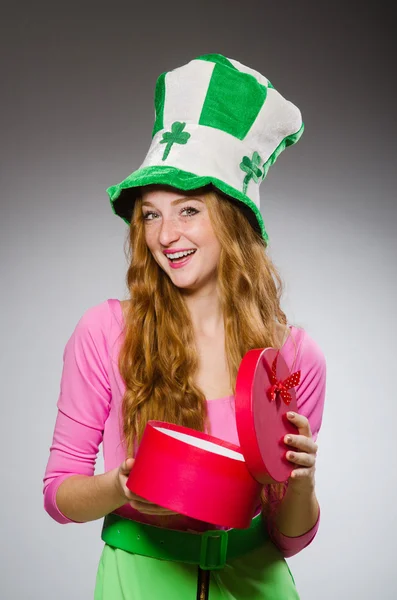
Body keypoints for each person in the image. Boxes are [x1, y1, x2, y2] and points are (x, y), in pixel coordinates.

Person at [43, 53, 326, 599]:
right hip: (140, 579)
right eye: (151, 213)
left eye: (189, 209)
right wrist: (118, 486)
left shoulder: (292, 357)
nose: (165, 234)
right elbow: (59, 494)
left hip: (256, 582)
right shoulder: (105, 332)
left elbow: (288, 538)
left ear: (232, 218)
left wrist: (303, 480)